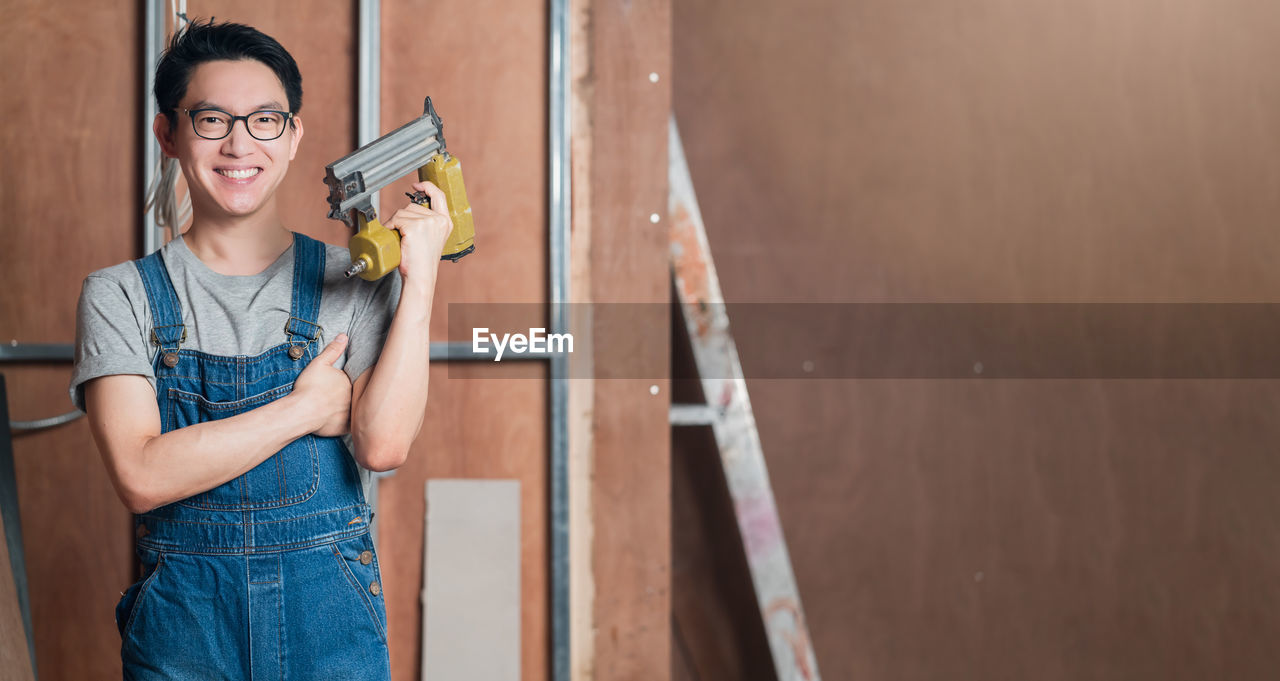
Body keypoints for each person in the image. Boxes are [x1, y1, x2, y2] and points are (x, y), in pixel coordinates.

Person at [68, 19, 451, 680]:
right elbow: (142, 475)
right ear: (169, 133)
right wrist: (303, 410)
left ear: (294, 135)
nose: (240, 143)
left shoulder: (356, 285)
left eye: (266, 120)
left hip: (329, 632)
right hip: (185, 634)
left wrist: (419, 283)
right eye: (212, 119)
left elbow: (383, 445)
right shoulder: (119, 295)